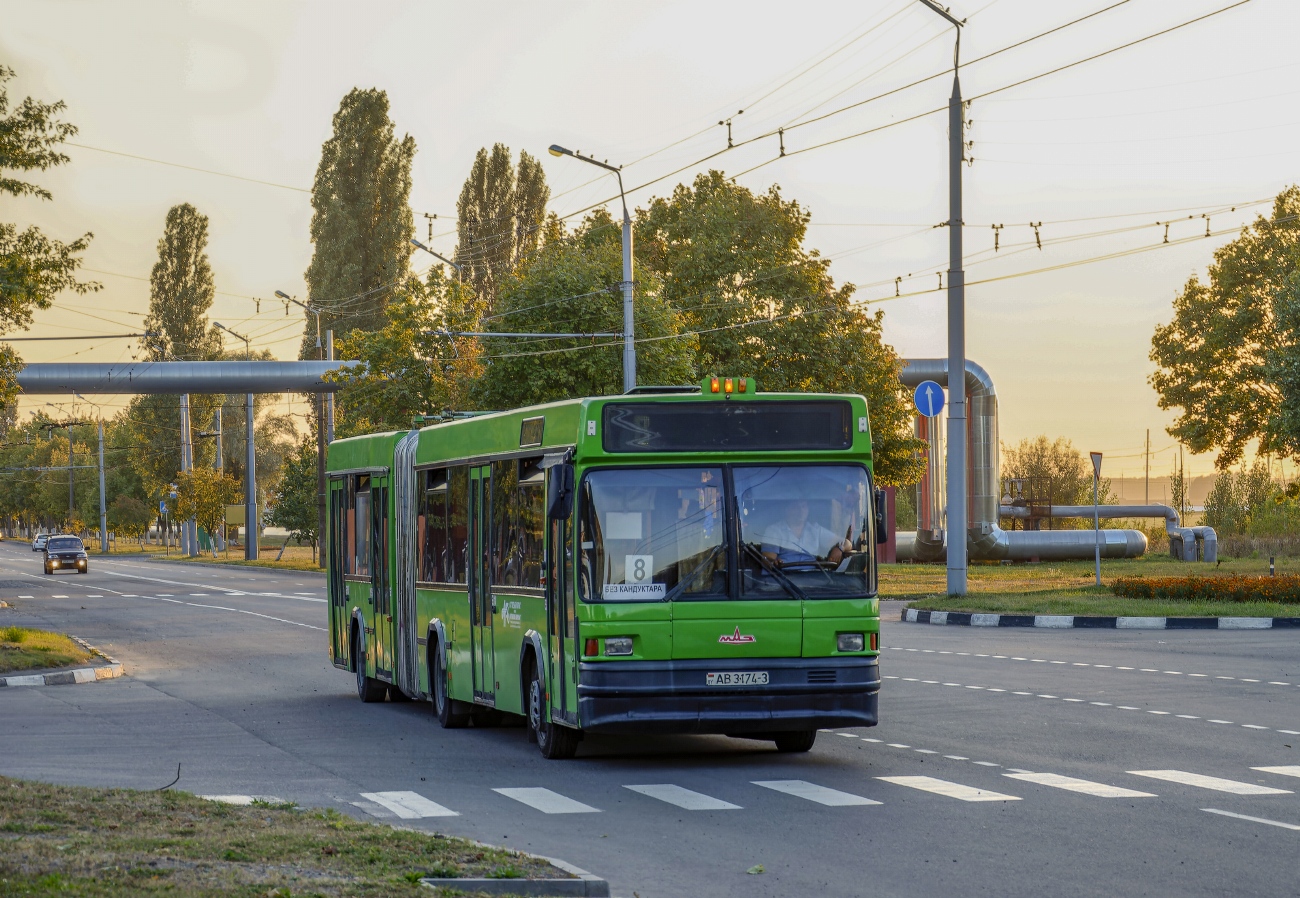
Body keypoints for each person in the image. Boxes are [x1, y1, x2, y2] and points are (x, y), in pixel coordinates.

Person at [761, 498, 852, 567]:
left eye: (803, 506)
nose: (801, 511)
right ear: (787, 509)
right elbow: (769, 562)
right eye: (796, 507)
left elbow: (848, 544)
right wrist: (774, 563)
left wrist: (840, 548)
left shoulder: (815, 530)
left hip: (812, 581)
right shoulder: (774, 531)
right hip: (783, 583)